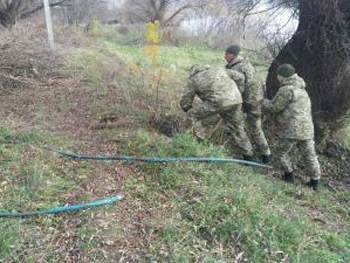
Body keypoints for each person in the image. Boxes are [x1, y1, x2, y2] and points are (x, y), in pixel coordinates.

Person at [262, 64, 321, 190]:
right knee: (309, 155)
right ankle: (315, 181)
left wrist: (263, 101)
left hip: (292, 129)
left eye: (278, 75)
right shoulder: (302, 89)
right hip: (307, 129)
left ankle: (289, 175)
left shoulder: (286, 89)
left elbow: (275, 107)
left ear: (281, 76)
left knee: (280, 152)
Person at [180, 64, 254, 160]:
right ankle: (248, 155)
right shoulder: (219, 69)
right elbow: (240, 77)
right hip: (236, 100)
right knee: (238, 128)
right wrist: (238, 91)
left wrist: (188, 109)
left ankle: (188, 142)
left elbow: (185, 102)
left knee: (191, 115)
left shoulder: (193, 79)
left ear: (192, 72)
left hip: (218, 102)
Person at [224, 45, 271, 164]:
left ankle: (248, 156)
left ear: (233, 55)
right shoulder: (247, 65)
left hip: (248, 101)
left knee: (237, 127)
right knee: (256, 128)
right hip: (256, 100)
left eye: (227, 54)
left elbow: (240, 87)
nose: (224, 56)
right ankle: (266, 156)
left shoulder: (238, 67)